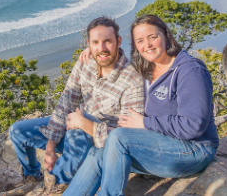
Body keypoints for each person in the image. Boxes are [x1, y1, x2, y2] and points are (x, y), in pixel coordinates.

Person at [69, 14, 218, 196]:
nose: (146, 45)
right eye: (140, 41)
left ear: (166, 36)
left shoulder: (189, 70)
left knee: (118, 137)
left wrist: (145, 123)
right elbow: (116, 59)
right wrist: (94, 51)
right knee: (100, 150)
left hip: (194, 149)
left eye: (152, 37)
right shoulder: (146, 69)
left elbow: (194, 125)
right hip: (161, 143)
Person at [9, 17, 144, 196]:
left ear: (118, 41)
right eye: (95, 42)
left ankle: (57, 185)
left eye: (107, 41)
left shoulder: (132, 79)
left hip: (100, 144)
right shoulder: (85, 62)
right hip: (74, 134)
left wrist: (84, 124)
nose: (101, 48)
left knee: (80, 121)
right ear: (88, 43)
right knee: (17, 131)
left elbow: (126, 138)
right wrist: (50, 149)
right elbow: (66, 103)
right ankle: (33, 176)